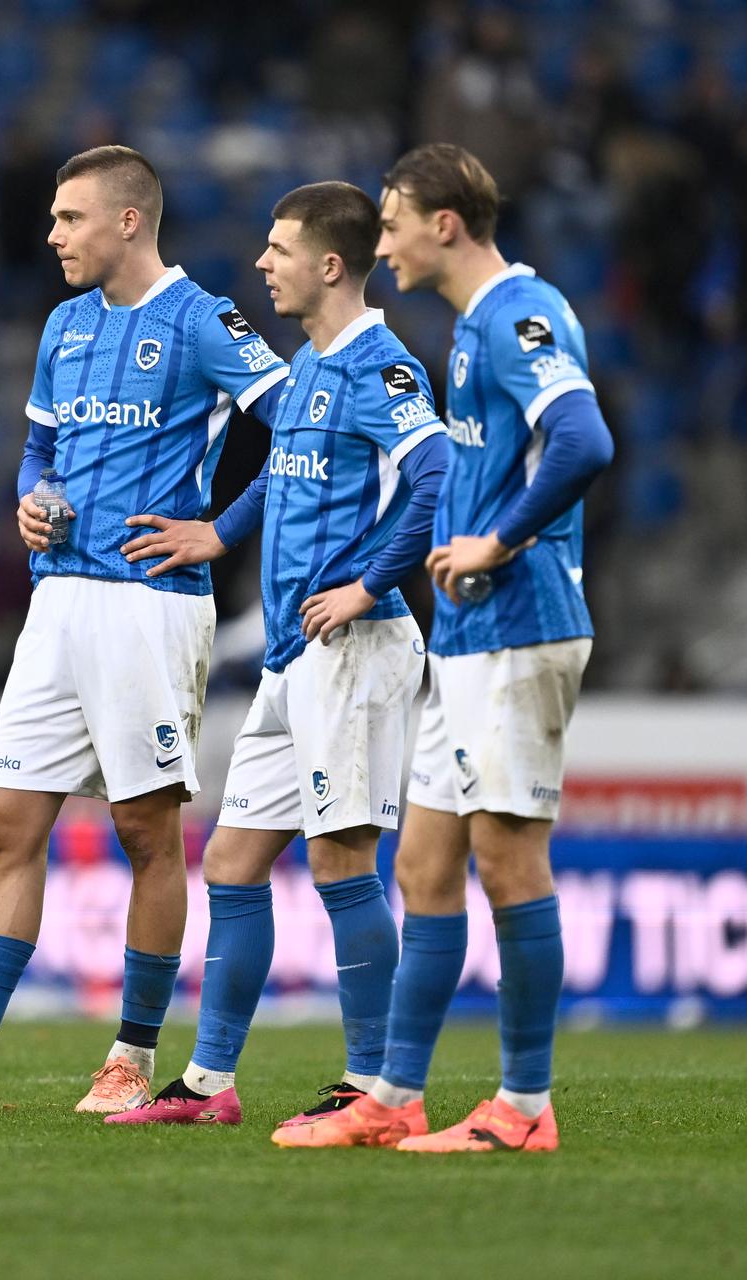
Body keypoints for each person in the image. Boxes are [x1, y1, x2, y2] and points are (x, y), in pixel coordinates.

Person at [0, 145, 290, 1117]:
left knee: (144, 827)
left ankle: (130, 1055)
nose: (51, 235)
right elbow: (37, 449)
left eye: (69, 218)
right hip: (58, 601)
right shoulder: (64, 323)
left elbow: (302, 423)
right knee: (9, 821)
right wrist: (31, 499)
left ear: (129, 220)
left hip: (148, 604)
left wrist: (223, 528)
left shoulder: (203, 320)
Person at [277, 143, 613, 1154]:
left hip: (521, 626)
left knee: (509, 860)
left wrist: (497, 539)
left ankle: (524, 1103)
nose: (380, 244)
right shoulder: (472, 331)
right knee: (425, 861)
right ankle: (394, 1093)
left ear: (445, 225)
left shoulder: (519, 316)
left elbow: (587, 440)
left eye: (390, 225)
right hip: (466, 634)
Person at [104, 181, 449, 1131]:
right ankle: (211, 1083)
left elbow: (435, 476)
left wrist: (373, 583)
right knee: (232, 858)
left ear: (330, 265)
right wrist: (219, 534)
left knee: (342, 861)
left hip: (358, 646)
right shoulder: (306, 366)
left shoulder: (385, 369)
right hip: (296, 655)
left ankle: (377, 1085)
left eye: (278, 248)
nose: (262, 262)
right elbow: (276, 472)